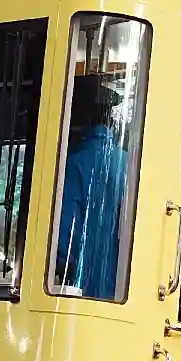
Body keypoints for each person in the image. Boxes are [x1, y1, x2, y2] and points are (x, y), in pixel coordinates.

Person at [55, 75, 127, 299]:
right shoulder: (131, 164)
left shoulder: (72, 163)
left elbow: (65, 236)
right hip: (123, 292)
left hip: (82, 291)